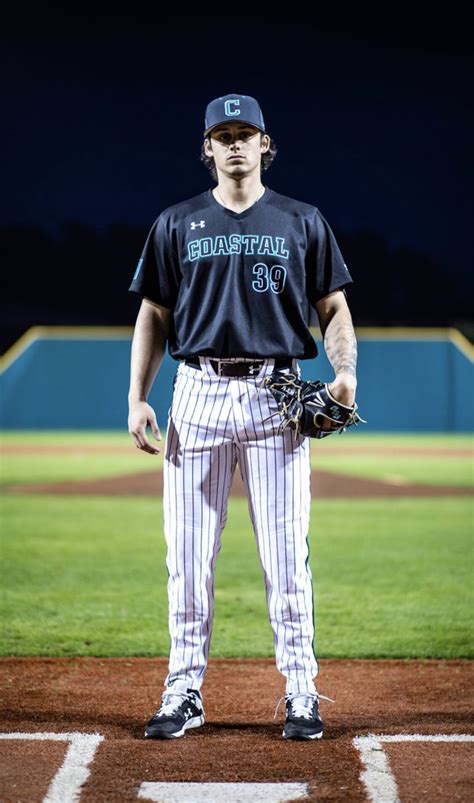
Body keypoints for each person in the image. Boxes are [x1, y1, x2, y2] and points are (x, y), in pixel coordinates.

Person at [127, 93, 358, 741]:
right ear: (207, 147)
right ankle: (183, 685)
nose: (234, 143)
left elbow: (333, 307)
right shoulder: (176, 222)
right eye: (222, 134)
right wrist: (136, 394)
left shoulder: (301, 220)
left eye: (245, 133)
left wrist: (345, 374)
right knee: (189, 554)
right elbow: (154, 314)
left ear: (265, 144)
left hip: (275, 392)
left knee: (287, 555)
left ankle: (301, 689)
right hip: (196, 390)